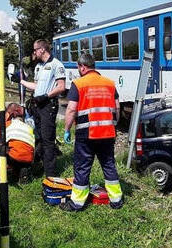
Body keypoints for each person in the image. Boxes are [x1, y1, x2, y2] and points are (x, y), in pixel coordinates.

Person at [60, 53, 123, 212]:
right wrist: (113, 124)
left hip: (86, 134)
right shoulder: (109, 83)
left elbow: (71, 109)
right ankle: (116, 200)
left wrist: (67, 129)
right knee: (109, 164)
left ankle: (77, 204)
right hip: (108, 132)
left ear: (82, 67)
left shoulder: (78, 84)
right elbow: (117, 107)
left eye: (78, 68)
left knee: (82, 166)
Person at [20, 39, 66, 177]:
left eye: (35, 50)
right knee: (38, 137)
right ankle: (39, 166)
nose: (34, 53)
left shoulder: (56, 65)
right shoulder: (38, 66)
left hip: (48, 105)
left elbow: (61, 87)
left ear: (42, 50)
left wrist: (46, 96)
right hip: (38, 105)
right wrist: (21, 81)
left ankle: (51, 174)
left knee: (47, 139)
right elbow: (36, 86)